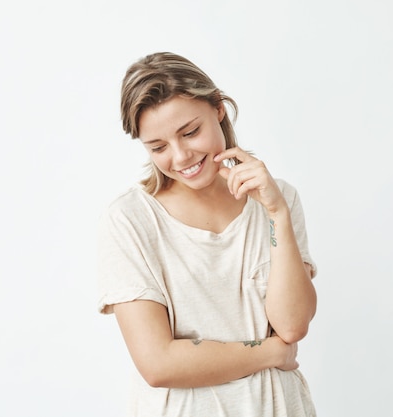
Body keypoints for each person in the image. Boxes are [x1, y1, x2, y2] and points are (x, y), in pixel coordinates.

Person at [97, 51, 318, 417]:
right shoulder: (130, 219)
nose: (181, 156)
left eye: (190, 132)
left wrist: (276, 213)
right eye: (158, 147)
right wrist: (270, 352)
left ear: (218, 107)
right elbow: (159, 364)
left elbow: (292, 326)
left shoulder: (278, 199)